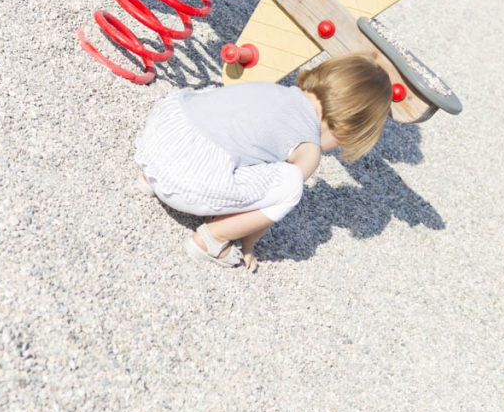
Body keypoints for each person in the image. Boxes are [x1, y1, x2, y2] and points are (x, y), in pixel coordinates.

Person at [134, 53, 392, 272]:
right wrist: (247, 243)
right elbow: (274, 197)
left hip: (158, 142)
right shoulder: (310, 149)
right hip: (184, 184)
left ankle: (151, 180)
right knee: (290, 184)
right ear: (346, 127)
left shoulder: (273, 90)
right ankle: (213, 239)